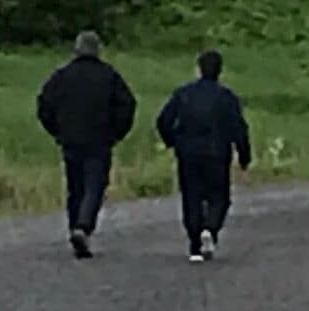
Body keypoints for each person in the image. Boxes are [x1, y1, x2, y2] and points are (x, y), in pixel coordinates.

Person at [36, 31, 137, 259]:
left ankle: (75, 229)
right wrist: (115, 133)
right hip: (99, 139)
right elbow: (127, 106)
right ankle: (83, 227)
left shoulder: (61, 76)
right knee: (95, 185)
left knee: (75, 186)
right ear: (97, 50)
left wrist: (57, 130)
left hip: (70, 139)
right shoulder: (109, 76)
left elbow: (44, 105)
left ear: (77, 49)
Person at [156, 49, 251, 263]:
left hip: (188, 152)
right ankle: (210, 228)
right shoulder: (226, 97)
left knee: (192, 197)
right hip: (217, 153)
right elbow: (239, 129)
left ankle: (194, 245)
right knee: (219, 197)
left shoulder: (183, 94)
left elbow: (163, 120)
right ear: (219, 71)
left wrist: (173, 141)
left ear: (198, 69)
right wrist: (244, 155)